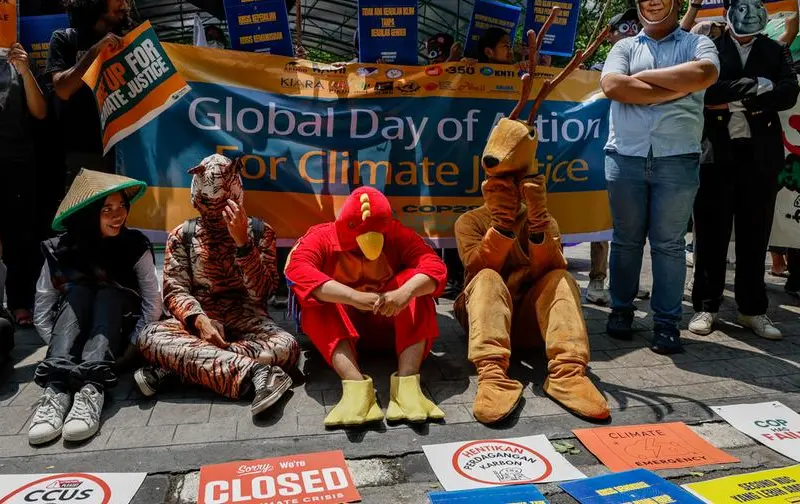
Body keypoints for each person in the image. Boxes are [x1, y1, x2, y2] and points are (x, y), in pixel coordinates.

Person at [454, 82, 609, 423]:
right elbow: (476, 270)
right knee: (487, 277)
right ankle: (493, 376)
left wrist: (537, 224)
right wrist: (501, 226)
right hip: (484, 322)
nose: (510, 191)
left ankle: (568, 373)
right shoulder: (470, 222)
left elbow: (549, 270)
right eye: (502, 185)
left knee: (561, 277)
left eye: (516, 184)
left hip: (529, 324)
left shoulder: (544, 219)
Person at [601, 0, 720, 354]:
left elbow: (704, 74)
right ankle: (621, 309)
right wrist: (676, 89)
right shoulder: (623, 47)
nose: (653, 2)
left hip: (677, 158)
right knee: (626, 241)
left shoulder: (697, 44)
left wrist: (642, 83)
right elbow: (613, 86)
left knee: (668, 245)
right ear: (637, 1)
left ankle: (667, 323)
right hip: (626, 156)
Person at [135, 155, 299, 416]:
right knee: (148, 337)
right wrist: (200, 320)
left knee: (287, 347)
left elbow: (263, 292)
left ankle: (181, 368)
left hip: (248, 319)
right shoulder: (182, 236)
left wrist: (243, 245)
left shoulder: (260, 232)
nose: (215, 213)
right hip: (200, 321)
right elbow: (175, 289)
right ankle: (257, 373)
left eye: (222, 204)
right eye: (207, 204)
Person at [689, 0, 800, 339]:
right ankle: (707, 306)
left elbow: (788, 92)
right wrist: (757, 86)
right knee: (711, 234)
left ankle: (752, 309)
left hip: (760, 157)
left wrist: (739, 96)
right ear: (728, 9)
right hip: (716, 154)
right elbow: (704, 91)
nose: (750, 12)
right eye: (742, 4)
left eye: (756, 4)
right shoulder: (709, 47)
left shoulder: (775, 50)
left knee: (755, 234)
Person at [285, 187, 447, 428]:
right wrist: (352, 296)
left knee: (416, 284)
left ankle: (408, 385)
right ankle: (355, 388)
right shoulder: (320, 237)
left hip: (392, 329)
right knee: (314, 297)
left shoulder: (397, 233)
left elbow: (434, 265)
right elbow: (297, 271)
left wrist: (404, 293)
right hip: (343, 333)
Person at [28, 170, 162, 445]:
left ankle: (92, 387)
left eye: (122, 206)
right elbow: (42, 310)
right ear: (88, 214)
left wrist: (132, 347)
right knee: (77, 292)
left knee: (108, 293)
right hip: (69, 344)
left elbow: (152, 303)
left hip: (118, 341)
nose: (118, 215)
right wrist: (66, 349)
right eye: (106, 209)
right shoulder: (59, 249)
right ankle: (56, 389)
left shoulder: (133, 245)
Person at [44, 0, 133, 187]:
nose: (124, 5)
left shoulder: (130, 42)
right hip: (83, 154)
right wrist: (95, 51)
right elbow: (63, 89)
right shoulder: (64, 39)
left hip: (128, 152)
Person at [587, 9, 650, 305]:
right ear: (609, 35)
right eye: (623, 26)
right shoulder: (596, 71)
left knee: (634, 224)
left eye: (634, 25)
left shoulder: (648, 64)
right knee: (602, 220)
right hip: (601, 155)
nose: (631, 30)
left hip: (636, 151)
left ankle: (627, 282)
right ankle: (597, 279)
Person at [0, 43, 48, 326]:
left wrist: (25, 71)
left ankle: (20, 302)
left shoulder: (19, 58)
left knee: (19, 235)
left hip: (17, 160)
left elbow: (40, 112)